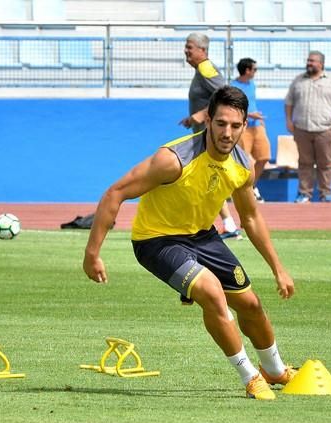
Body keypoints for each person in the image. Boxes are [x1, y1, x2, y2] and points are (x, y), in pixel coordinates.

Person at [83, 86, 297, 400]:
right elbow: (115, 193)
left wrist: (278, 269)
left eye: (235, 126)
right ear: (208, 121)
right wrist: (92, 254)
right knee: (212, 294)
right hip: (156, 240)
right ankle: (250, 376)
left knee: (251, 304)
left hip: (202, 237)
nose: (227, 132)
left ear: (243, 126)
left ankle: (274, 369)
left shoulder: (243, 166)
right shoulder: (172, 160)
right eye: (221, 123)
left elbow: (250, 218)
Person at [180, 32, 241, 238]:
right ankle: (227, 224)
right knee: (204, 178)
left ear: (203, 50)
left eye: (190, 47)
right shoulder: (200, 70)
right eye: (186, 46)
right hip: (203, 134)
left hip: (209, 137)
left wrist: (202, 114)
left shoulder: (206, 68)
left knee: (207, 177)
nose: (186, 51)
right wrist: (193, 118)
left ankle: (224, 223)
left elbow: (226, 95)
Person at [284, 50, 331, 203]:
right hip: (302, 128)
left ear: (321, 64)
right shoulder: (298, 81)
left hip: (325, 129)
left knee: (325, 163)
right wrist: (289, 120)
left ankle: (325, 194)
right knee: (304, 163)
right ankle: (304, 194)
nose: (309, 63)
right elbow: (289, 102)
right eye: (308, 60)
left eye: (312, 61)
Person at [230, 57, 270, 203]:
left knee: (264, 157)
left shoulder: (252, 84)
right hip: (243, 126)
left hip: (257, 125)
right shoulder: (233, 86)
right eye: (255, 69)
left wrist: (258, 118)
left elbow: (252, 103)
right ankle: (243, 189)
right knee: (245, 161)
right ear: (247, 70)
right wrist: (249, 115)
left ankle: (252, 186)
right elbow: (233, 107)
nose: (255, 72)